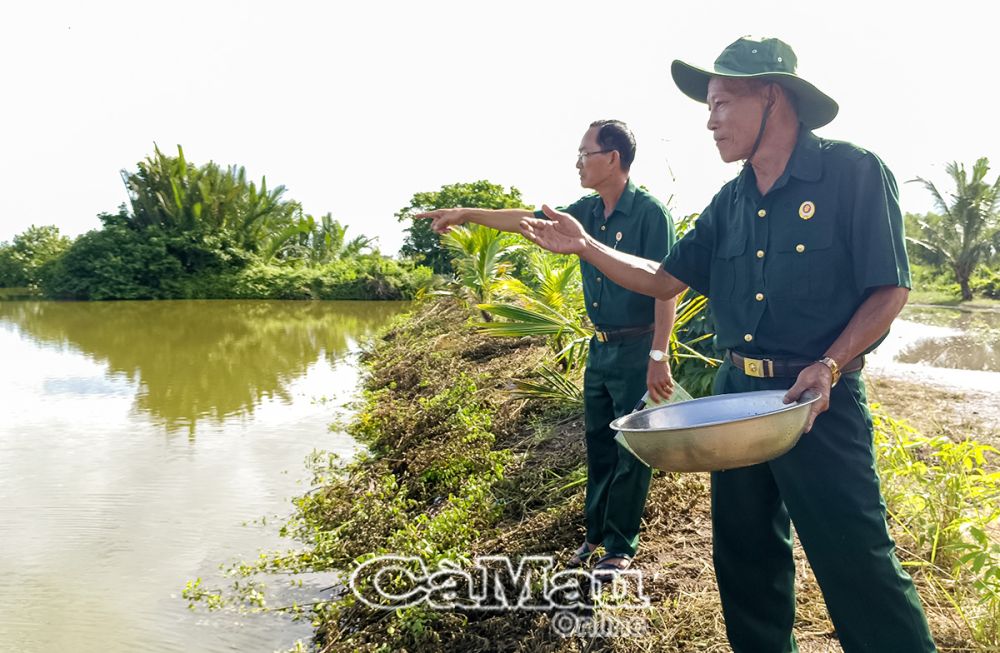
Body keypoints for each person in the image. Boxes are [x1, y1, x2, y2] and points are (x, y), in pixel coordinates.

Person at [520, 38, 936, 652]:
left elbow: (889, 289)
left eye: (720, 103)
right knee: (744, 557)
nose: (709, 120)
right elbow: (663, 278)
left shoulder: (852, 172)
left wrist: (829, 364)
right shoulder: (731, 200)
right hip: (739, 396)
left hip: (817, 399)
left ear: (771, 95)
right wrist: (585, 246)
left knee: (857, 563)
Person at [417, 119, 676, 576]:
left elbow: (665, 286)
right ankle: (594, 534)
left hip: (638, 348)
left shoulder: (650, 213)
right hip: (600, 349)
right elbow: (525, 221)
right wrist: (466, 213)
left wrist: (659, 354)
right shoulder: (587, 211)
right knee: (598, 444)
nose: (577, 162)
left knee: (631, 449)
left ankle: (620, 547)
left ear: (612, 158)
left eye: (584, 153)